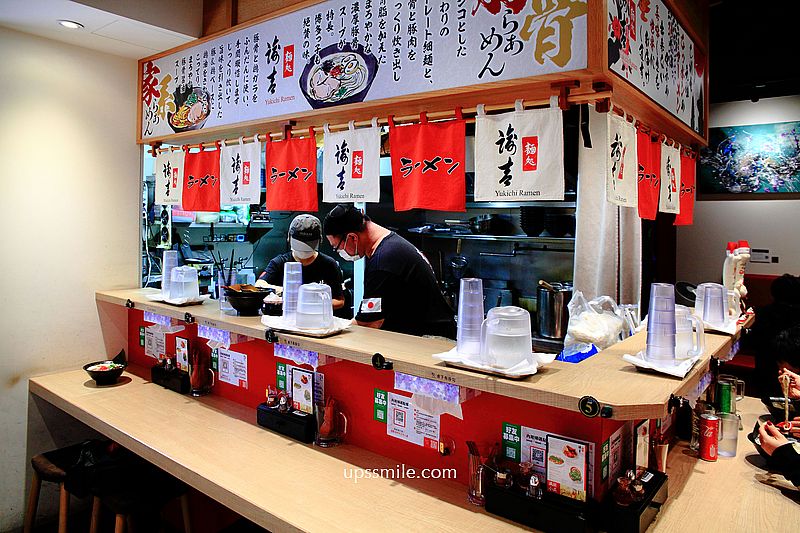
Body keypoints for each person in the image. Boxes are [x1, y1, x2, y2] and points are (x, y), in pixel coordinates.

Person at [323, 204, 456, 338]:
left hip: (431, 340)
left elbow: (370, 323)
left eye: (337, 247)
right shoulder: (390, 245)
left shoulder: (384, 259)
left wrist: (334, 331)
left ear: (352, 237)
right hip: (424, 334)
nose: (339, 252)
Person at [259, 214, 344, 310]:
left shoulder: (329, 265)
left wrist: (312, 304)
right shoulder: (279, 263)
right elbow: (259, 285)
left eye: (308, 244)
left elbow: (339, 301)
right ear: (289, 238)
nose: (304, 250)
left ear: (319, 241)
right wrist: (286, 293)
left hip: (318, 320)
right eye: (300, 244)